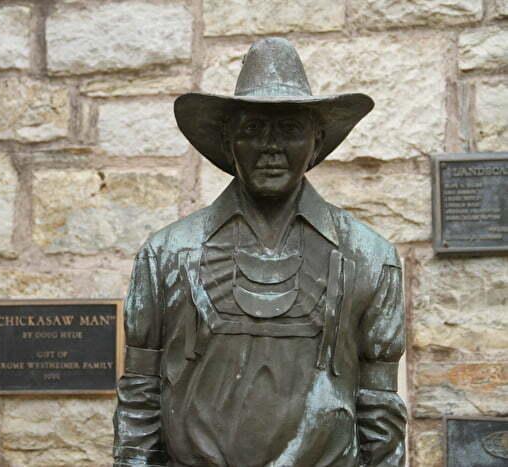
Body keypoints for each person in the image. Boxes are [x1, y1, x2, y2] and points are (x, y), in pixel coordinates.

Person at [113, 38, 407, 467]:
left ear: (316, 140)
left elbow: (380, 412)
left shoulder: (370, 257)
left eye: (289, 129)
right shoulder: (165, 254)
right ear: (228, 141)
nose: (270, 146)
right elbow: (140, 400)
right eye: (252, 129)